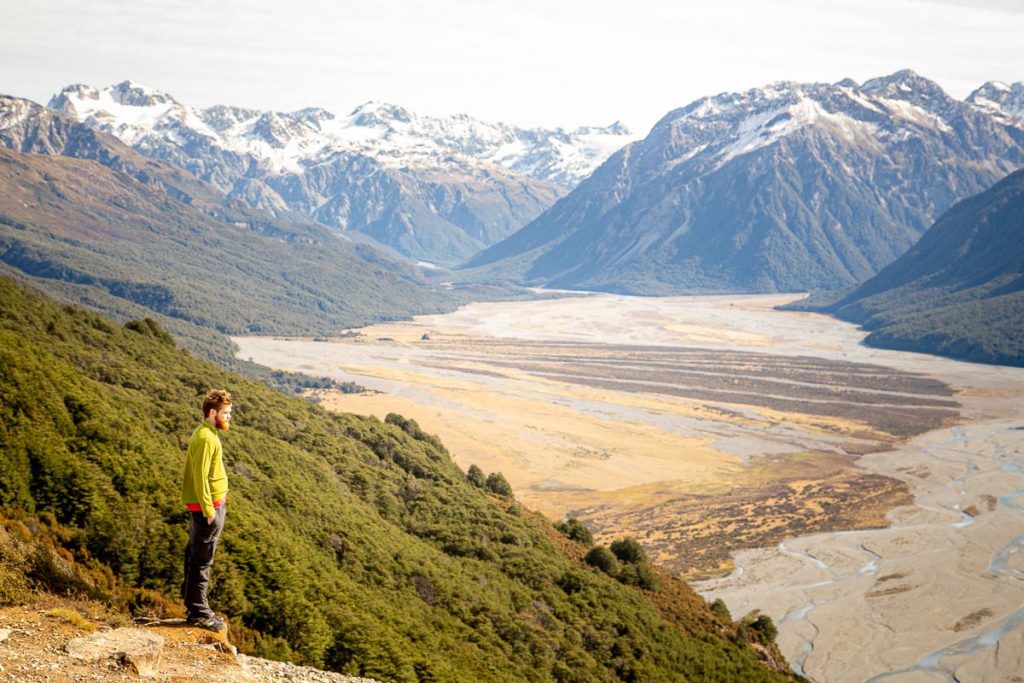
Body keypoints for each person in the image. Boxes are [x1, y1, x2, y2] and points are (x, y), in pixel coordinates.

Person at [180, 389, 232, 631]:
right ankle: (199, 612)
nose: (229, 417)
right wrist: (209, 511)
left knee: (197, 556)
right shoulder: (205, 438)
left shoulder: (209, 433)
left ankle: (195, 606)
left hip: (211, 506)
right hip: (208, 510)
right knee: (202, 561)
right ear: (212, 413)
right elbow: (200, 477)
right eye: (225, 413)